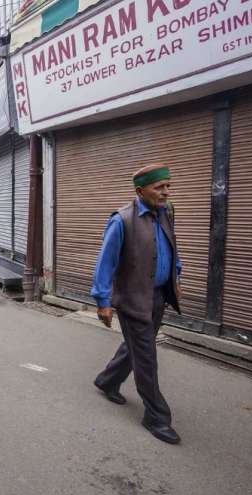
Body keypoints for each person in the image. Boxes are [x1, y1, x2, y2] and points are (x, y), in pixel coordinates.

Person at [91, 163, 183, 445]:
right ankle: (156, 416)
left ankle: (107, 380)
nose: (166, 192)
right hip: (132, 300)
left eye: (168, 186)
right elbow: (105, 263)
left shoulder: (166, 212)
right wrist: (102, 301)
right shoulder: (122, 220)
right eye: (159, 188)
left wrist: (176, 271)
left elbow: (171, 244)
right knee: (146, 358)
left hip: (158, 296)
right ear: (140, 191)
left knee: (135, 346)